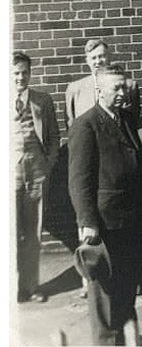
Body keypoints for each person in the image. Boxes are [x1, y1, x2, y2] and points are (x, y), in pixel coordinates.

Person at [67, 68, 142, 344]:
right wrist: (86, 221)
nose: (122, 92)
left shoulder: (125, 119)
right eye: (115, 88)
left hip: (130, 220)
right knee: (104, 290)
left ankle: (128, 338)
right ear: (99, 91)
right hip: (104, 222)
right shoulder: (86, 125)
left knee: (126, 285)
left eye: (124, 87)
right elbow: (79, 180)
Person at [13, 52, 60, 303]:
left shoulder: (43, 100)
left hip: (37, 172)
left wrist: (49, 164)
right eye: (16, 73)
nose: (21, 77)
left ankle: (30, 286)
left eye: (24, 72)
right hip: (9, 173)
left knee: (33, 232)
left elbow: (54, 137)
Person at [66, 38, 113, 129]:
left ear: (109, 57)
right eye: (93, 58)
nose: (98, 61)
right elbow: (71, 125)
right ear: (87, 61)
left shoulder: (128, 87)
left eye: (101, 56)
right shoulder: (75, 89)